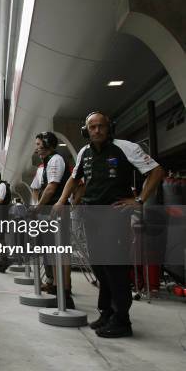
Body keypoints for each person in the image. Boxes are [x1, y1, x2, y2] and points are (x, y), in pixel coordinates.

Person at [54, 111, 164, 338]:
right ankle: (107, 312)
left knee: (115, 268)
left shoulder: (126, 147)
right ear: (86, 130)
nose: (97, 130)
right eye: (92, 127)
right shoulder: (84, 152)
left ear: (109, 127)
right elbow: (74, 179)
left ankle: (122, 320)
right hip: (90, 215)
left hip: (115, 216)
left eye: (101, 126)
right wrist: (61, 201)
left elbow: (156, 171)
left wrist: (139, 200)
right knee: (99, 266)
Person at [33, 131, 74, 309]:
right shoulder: (49, 161)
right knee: (54, 253)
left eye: (38, 144)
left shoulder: (55, 160)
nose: (37, 147)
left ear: (47, 143)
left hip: (55, 213)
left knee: (61, 253)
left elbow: (51, 188)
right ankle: (58, 289)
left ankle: (65, 294)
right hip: (51, 213)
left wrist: (38, 207)